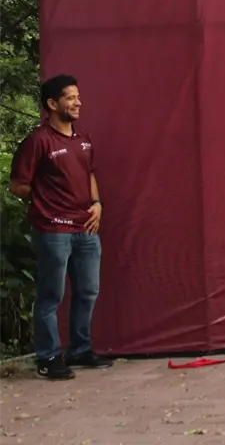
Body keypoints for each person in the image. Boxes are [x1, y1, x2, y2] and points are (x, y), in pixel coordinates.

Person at [9, 75, 111, 380]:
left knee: (87, 292)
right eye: (70, 97)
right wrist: (47, 203)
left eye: (78, 96)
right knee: (51, 295)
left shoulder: (83, 139)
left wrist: (97, 203)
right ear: (52, 104)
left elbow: (89, 173)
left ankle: (80, 349)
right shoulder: (38, 141)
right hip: (53, 231)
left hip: (86, 229)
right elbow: (18, 185)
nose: (78, 102)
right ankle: (48, 357)